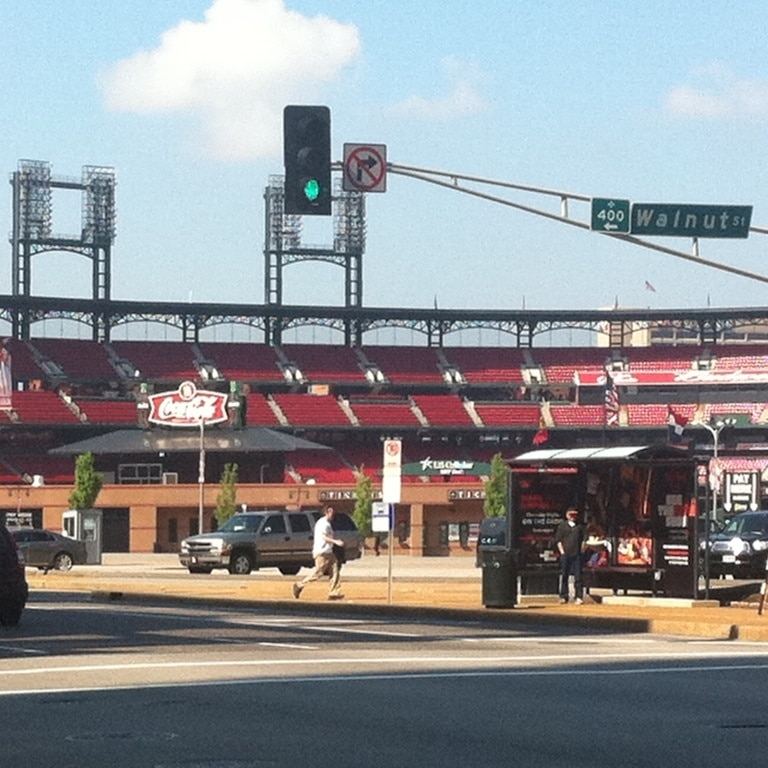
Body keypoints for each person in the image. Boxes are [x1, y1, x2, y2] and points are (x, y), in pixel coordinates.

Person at [293, 505, 345, 600]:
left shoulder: (326, 523)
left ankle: (334, 592)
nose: (333, 514)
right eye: (331, 511)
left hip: (329, 552)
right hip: (322, 552)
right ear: (327, 512)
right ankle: (299, 585)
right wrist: (336, 541)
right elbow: (324, 537)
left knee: (335, 570)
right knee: (318, 573)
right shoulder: (323, 524)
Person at [555, 507, 586, 604]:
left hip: (577, 554)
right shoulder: (562, 526)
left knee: (578, 576)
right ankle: (564, 596)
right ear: (567, 515)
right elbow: (558, 540)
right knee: (564, 575)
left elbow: (584, 539)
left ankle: (579, 597)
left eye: (575, 515)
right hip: (566, 554)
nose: (573, 517)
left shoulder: (580, 527)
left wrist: (582, 550)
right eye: (571, 515)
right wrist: (562, 552)